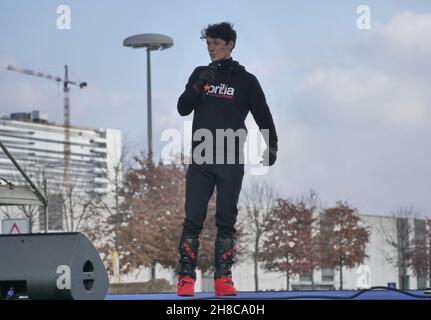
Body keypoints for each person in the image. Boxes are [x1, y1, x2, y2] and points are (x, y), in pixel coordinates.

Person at [176, 22, 278, 296]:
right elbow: (183, 108)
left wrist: (272, 145)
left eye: (216, 44)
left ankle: (223, 279)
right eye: (208, 44)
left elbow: (262, 114)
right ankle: (186, 279)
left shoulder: (247, 81)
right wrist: (199, 86)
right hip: (201, 155)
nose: (211, 49)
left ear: (230, 44)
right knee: (193, 218)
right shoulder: (201, 73)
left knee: (226, 219)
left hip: (231, 157)